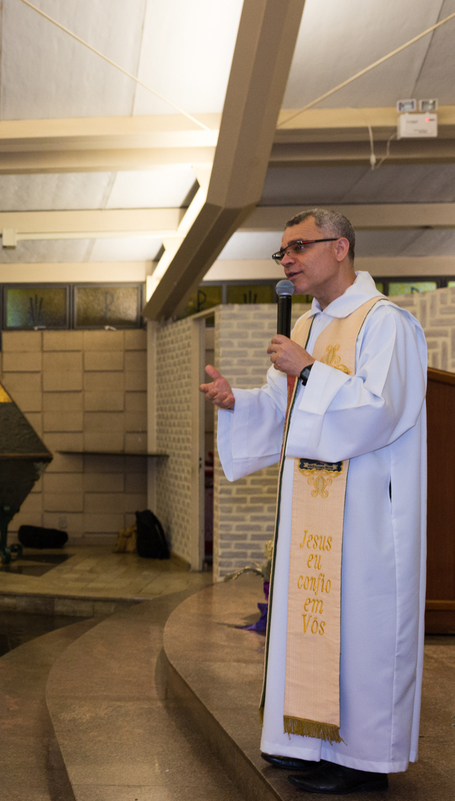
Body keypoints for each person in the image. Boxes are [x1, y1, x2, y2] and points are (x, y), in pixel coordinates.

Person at [200, 209, 427, 795]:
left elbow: (381, 410)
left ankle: (363, 761)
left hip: (368, 515)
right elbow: (285, 409)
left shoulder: (386, 323)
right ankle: (309, 742)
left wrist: (308, 371)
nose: (288, 261)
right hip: (312, 513)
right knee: (311, 623)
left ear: (341, 248)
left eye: (299, 247)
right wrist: (238, 402)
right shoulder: (304, 325)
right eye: (282, 252)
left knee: (362, 630)